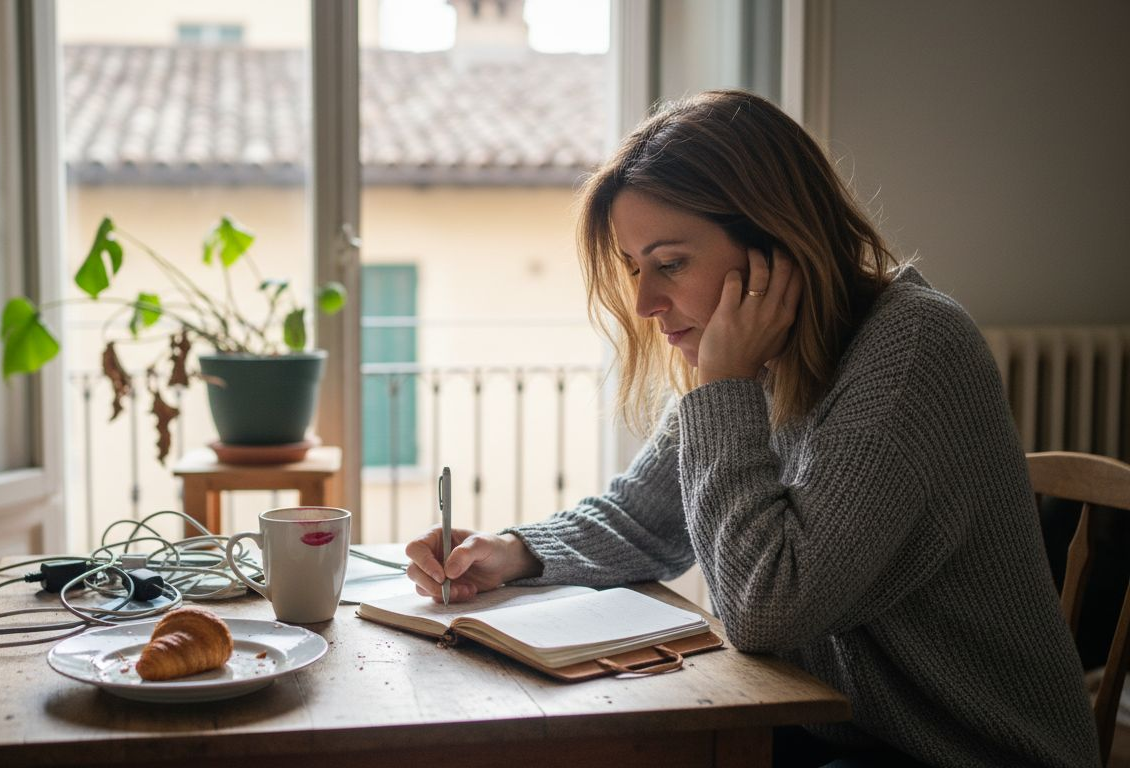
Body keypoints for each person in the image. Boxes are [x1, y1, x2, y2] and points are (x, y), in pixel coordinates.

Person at [403, 90, 1100, 767]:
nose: (645, 302)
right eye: (633, 269)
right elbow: (642, 519)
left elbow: (767, 607)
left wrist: (724, 386)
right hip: (838, 733)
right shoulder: (763, 359)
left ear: (776, 243)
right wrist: (512, 552)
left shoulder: (912, 350)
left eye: (671, 264)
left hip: (961, 754)